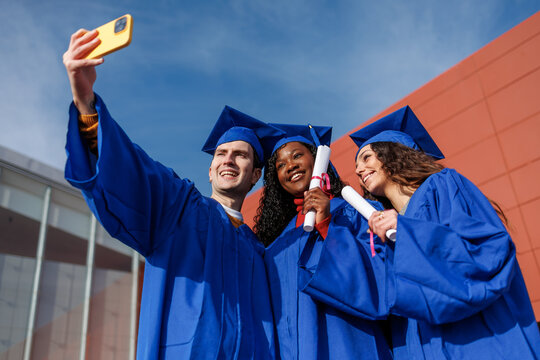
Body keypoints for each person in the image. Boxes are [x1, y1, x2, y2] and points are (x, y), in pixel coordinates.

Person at [62, 28, 284, 359]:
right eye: (221, 154)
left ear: (254, 175)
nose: (228, 160)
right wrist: (86, 103)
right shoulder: (180, 209)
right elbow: (132, 170)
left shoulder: (261, 254)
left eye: (241, 155)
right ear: (210, 170)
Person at [298, 106, 540, 359]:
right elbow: (377, 292)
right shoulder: (380, 226)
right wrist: (326, 224)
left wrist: (407, 232)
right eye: (357, 164)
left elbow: (486, 253)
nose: (359, 170)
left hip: (475, 340)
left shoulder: (443, 184)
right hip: (416, 344)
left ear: (394, 153)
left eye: (367, 157)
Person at [254, 124, 393, 359]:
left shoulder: (358, 212)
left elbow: (380, 278)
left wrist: (328, 225)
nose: (291, 166)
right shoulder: (276, 245)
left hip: (351, 343)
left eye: (297, 155)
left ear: (318, 160)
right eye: (281, 165)